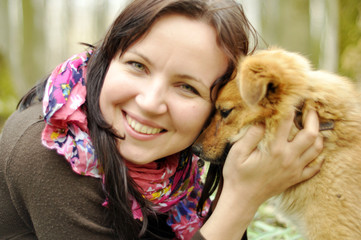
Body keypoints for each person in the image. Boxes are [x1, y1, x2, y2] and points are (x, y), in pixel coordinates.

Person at [0, 0, 323, 239]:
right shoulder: (52, 151)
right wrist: (241, 198)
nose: (150, 103)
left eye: (187, 87)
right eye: (137, 66)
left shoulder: (174, 170)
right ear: (108, 55)